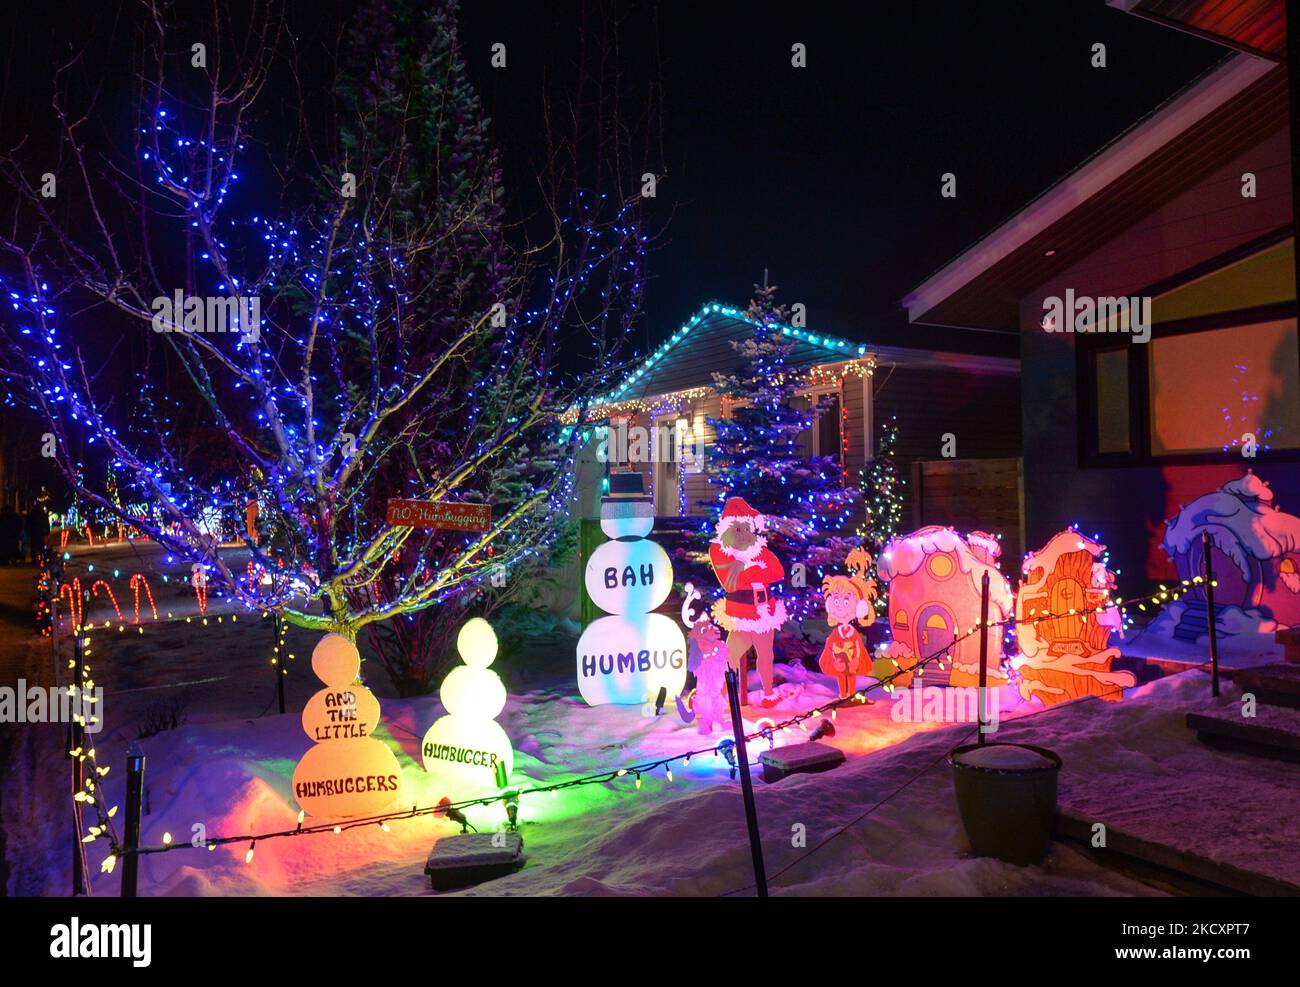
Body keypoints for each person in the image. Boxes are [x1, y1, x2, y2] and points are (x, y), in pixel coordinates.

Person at [708, 496, 787, 708]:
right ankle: (719, 695)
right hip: (742, 613)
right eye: (737, 529)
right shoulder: (720, 551)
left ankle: (768, 695)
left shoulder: (760, 549)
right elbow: (731, 583)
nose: (744, 535)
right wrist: (756, 570)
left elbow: (777, 571)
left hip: (764, 610)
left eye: (746, 528)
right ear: (727, 530)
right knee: (731, 655)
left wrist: (748, 569)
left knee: (766, 655)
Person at [818, 547, 879, 699]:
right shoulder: (836, 633)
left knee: (850, 675)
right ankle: (843, 694)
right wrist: (834, 657)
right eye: (836, 600)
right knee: (841, 675)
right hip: (839, 660)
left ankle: (850, 694)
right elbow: (831, 645)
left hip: (851, 660)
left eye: (846, 601)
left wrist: (857, 659)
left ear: (859, 607)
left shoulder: (853, 633)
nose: (839, 607)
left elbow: (858, 647)